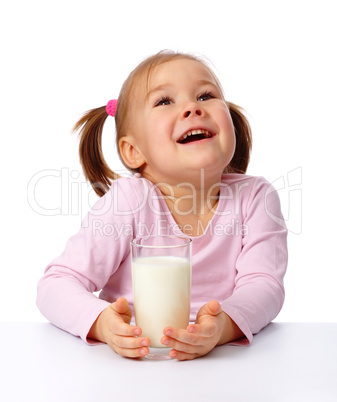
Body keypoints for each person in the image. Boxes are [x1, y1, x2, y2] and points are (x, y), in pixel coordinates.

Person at [37, 50, 288, 361]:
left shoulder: (256, 198)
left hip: (221, 368)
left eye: (205, 95)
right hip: (134, 365)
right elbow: (56, 285)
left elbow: (265, 285)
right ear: (133, 151)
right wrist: (102, 323)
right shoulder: (129, 201)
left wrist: (224, 326)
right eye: (164, 101)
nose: (192, 108)